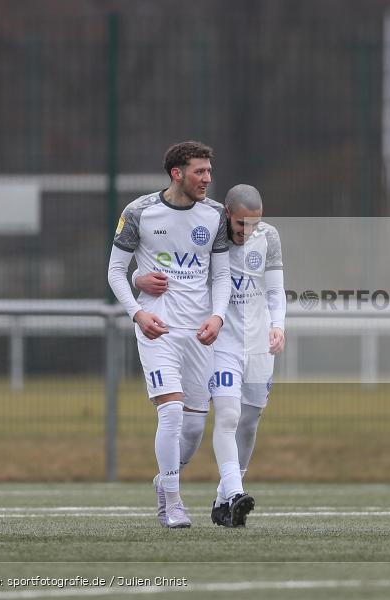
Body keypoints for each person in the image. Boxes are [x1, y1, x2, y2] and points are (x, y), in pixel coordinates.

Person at [134, 184, 285, 528]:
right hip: (220, 344)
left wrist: (278, 326)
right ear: (227, 215)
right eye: (241, 225)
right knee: (227, 415)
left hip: (259, 347)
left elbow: (275, 289)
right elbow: (172, 267)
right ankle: (233, 492)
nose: (247, 232)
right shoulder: (206, 234)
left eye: (254, 224)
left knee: (248, 421)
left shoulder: (269, 237)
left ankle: (222, 500)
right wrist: (138, 277)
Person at [107, 141, 231, 529]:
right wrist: (139, 313)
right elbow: (115, 272)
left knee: (194, 427)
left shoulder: (215, 215)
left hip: (200, 333)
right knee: (172, 412)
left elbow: (223, 275)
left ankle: (165, 478)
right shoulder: (139, 212)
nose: (207, 179)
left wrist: (218, 317)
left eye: (209, 171)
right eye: (200, 171)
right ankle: (173, 502)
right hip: (158, 328)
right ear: (177, 173)